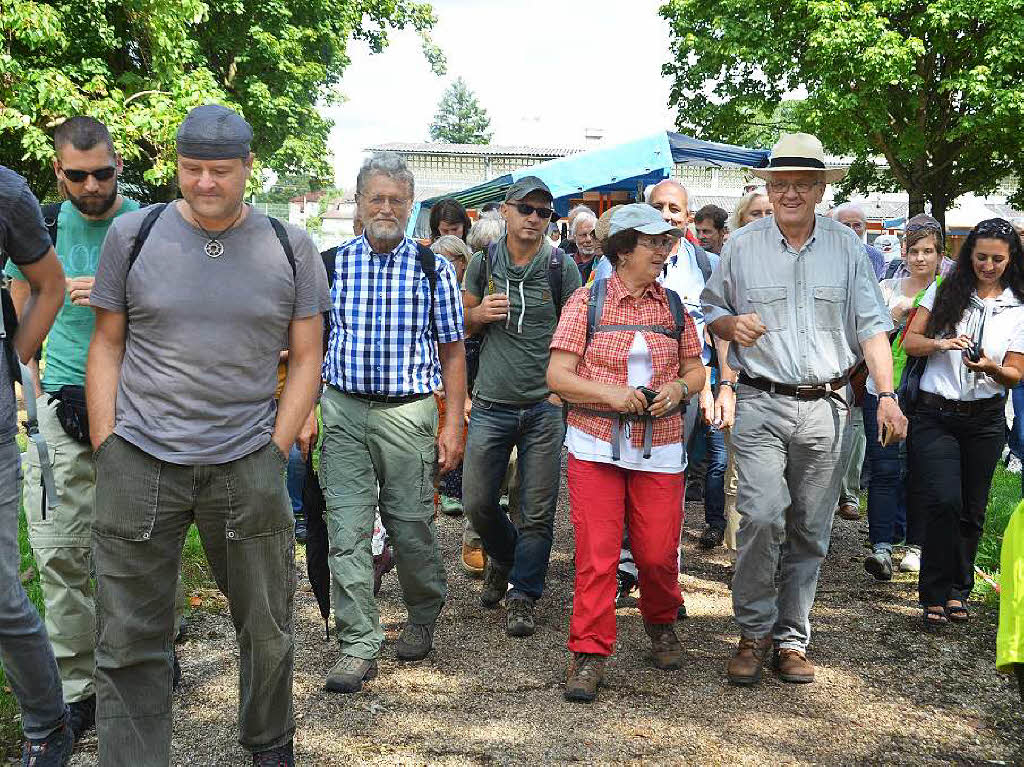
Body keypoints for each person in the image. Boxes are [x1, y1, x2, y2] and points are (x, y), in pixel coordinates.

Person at [87, 104, 329, 766]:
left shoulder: (290, 245)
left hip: (246, 460)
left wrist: (274, 447)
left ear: (248, 168)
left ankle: (269, 745)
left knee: (267, 623)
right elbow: (108, 343)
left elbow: (307, 355)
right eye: (191, 169)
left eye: (220, 171)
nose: (204, 183)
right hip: (140, 459)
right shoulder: (132, 237)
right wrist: (109, 445)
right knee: (129, 635)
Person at [702, 132, 906, 686]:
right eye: (780, 183)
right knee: (763, 516)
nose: (789, 192)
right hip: (762, 402)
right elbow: (712, 309)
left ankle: (791, 639)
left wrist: (886, 395)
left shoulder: (846, 248)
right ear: (769, 186)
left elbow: (872, 328)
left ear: (819, 189)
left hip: (828, 407)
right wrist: (729, 325)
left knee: (810, 528)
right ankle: (752, 632)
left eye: (801, 183)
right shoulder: (742, 245)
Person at [3, 117, 139, 742]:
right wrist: (24, 376)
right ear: (58, 173)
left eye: (103, 173)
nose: (91, 186)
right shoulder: (39, 226)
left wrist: (114, 296)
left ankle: (141, 668)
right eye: (77, 175)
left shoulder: (147, 225)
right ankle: (77, 689)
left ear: (119, 165)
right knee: (59, 553)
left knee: (134, 552)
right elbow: (20, 309)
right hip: (60, 408)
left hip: (137, 410)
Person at [318, 152, 466, 693]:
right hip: (344, 410)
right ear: (359, 204)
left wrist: (452, 427)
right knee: (348, 530)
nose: (385, 208)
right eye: (375, 198)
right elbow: (311, 345)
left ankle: (423, 613)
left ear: (410, 207)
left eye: (396, 200)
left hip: (409, 414)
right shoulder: (331, 265)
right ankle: (359, 641)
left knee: (410, 526)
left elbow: (453, 352)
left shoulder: (432, 269)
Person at [548, 204, 705, 701]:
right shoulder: (585, 302)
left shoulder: (674, 306)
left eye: (666, 242)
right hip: (595, 445)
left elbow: (696, 370)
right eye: (653, 242)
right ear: (623, 249)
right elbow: (557, 377)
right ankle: (589, 653)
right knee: (597, 556)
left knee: (658, 553)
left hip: (659, 446)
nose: (663, 250)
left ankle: (660, 619)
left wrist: (680, 389)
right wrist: (611, 395)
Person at [462, 176, 582, 638]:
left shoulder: (560, 266)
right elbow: (462, 326)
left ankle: (523, 593)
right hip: (492, 403)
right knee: (477, 502)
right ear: (506, 212)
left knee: (536, 510)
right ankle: (506, 558)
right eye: (526, 209)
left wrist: (561, 392)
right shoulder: (482, 262)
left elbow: (579, 332)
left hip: (544, 407)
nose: (534, 218)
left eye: (544, 212)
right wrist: (477, 316)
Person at [902, 218, 1024, 629]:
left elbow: (1015, 373)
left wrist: (990, 366)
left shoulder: (1018, 305)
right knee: (944, 502)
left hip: (985, 418)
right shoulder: (944, 291)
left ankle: (958, 590)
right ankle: (933, 593)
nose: (988, 266)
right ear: (969, 254)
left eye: (997, 260)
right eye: (982, 257)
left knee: (972, 508)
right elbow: (910, 341)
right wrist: (942, 343)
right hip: (936, 413)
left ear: (1010, 260)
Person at [0, 165, 71, 764]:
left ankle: (47, 721)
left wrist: (13, 362)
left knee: (0, 594)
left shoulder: (4, 190)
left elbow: (49, 284)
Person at [861, 219, 945, 579]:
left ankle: (916, 544)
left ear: (941, 256)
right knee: (884, 468)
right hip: (881, 391)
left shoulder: (950, 293)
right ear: (903, 253)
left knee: (920, 470)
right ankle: (881, 547)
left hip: (928, 394)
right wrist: (895, 316)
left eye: (928, 251)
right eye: (914, 251)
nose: (920, 258)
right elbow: (864, 335)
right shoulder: (886, 289)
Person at [649, 181, 727, 553]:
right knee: (630, 474)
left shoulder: (707, 265)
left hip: (688, 384)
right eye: (658, 207)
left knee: (671, 473)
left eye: (674, 209)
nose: (666, 215)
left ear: (688, 218)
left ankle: (665, 558)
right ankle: (629, 559)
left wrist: (720, 385)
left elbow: (720, 330)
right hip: (630, 386)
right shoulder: (614, 261)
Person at [430, 236, 488, 576]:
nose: (444, 266)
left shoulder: (470, 294)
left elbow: (463, 346)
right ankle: (419, 546)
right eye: (438, 258)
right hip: (432, 388)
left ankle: (475, 537)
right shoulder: (423, 287)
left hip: (479, 387)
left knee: (476, 463)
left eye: (450, 259)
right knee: (430, 466)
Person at [832, 202, 883, 521]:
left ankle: (849, 495)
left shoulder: (875, 259)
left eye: (858, 226)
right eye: (846, 225)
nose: (853, 231)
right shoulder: (822, 256)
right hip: (828, 361)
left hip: (860, 361)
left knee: (856, 433)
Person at [883, 216, 958, 280]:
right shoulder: (890, 270)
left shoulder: (956, 273)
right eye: (906, 241)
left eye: (927, 251)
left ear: (939, 255)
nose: (920, 258)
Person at [833, 202, 885, 279]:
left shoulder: (875, 256)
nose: (851, 230)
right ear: (834, 227)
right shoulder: (823, 253)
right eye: (846, 225)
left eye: (857, 225)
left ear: (865, 228)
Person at [570, 210, 600, 284]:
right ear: (574, 237)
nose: (589, 239)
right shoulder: (566, 263)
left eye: (592, 234)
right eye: (583, 235)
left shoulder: (604, 263)